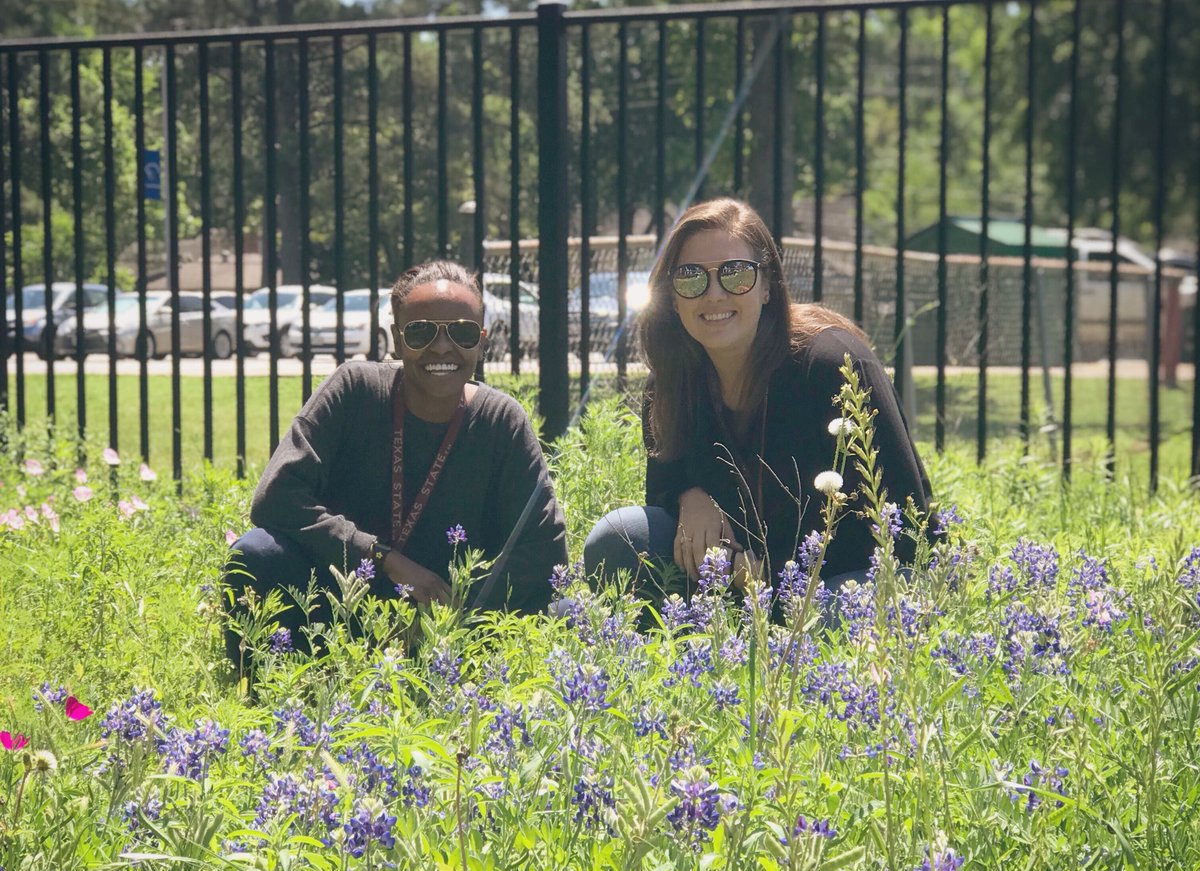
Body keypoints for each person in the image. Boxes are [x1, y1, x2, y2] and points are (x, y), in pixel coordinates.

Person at [583, 196, 934, 601]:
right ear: (672, 295)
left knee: (835, 615)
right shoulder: (671, 384)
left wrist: (776, 573)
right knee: (619, 538)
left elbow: (910, 529)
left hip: (842, 580)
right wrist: (688, 497)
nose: (714, 294)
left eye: (735, 274)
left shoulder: (834, 367)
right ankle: (674, 653)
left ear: (767, 285)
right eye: (692, 276)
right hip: (730, 583)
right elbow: (663, 488)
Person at [224, 260, 567, 668]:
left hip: (454, 623)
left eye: (461, 332)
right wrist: (384, 558)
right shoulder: (355, 390)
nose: (442, 348)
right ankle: (276, 695)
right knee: (256, 554)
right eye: (421, 332)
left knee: (562, 611)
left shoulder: (501, 420)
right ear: (397, 339)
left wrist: (454, 614)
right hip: (342, 606)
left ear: (482, 340)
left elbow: (543, 548)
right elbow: (277, 496)